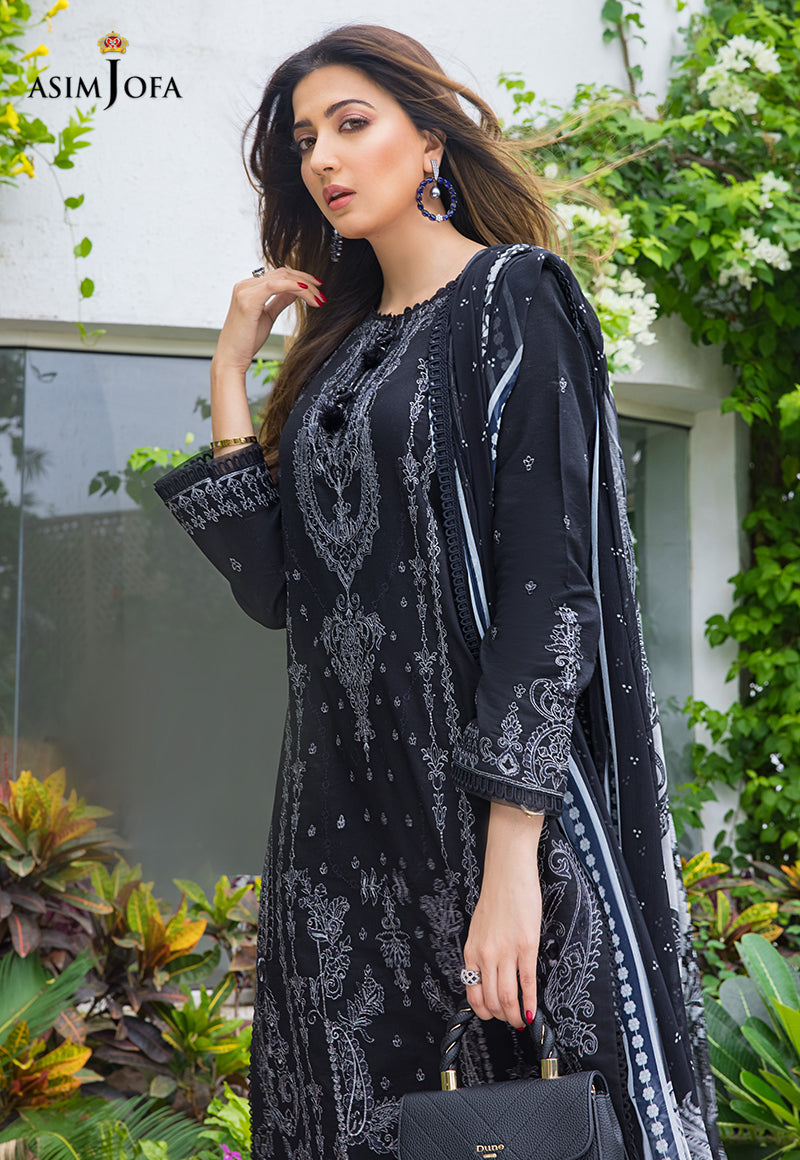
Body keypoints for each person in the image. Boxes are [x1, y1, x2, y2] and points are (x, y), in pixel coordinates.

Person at [155, 24, 724, 1160]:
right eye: (305, 141)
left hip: (487, 819)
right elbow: (276, 589)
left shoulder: (514, 299)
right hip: (340, 836)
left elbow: (550, 591)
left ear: (428, 142)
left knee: (522, 1119)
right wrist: (230, 375)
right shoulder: (335, 351)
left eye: (351, 124)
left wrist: (511, 862)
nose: (324, 157)